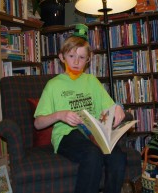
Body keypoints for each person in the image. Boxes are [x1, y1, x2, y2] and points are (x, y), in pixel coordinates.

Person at [34, 24, 127, 193]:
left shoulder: (91, 81)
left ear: (88, 59)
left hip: (94, 133)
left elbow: (109, 106)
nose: (76, 62)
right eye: (71, 56)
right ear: (62, 57)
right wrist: (60, 115)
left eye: (82, 57)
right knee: (92, 155)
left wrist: (118, 107)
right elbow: (38, 123)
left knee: (118, 158)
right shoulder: (53, 85)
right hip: (68, 134)